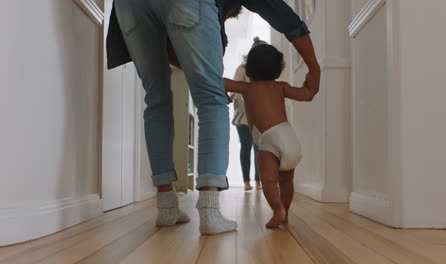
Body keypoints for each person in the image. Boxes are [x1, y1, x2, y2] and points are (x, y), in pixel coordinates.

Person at [106, 0, 320, 235]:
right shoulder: (279, 86)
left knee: (156, 100)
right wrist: (314, 67)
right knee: (211, 99)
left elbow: (173, 51)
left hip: (129, 5)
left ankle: (166, 207)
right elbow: (280, 13)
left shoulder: (248, 86)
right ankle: (210, 212)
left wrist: (205, 75)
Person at [224, 44, 319, 228]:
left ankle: (277, 210)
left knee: (269, 180)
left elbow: (220, 81)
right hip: (289, 137)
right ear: (277, 71)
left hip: (268, 139)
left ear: (248, 70)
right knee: (286, 180)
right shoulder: (281, 87)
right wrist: (310, 83)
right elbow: (307, 95)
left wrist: (223, 92)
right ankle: (285, 212)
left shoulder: (247, 88)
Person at [230, 37, 267, 191]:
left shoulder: (267, 71)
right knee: (246, 146)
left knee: (259, 147)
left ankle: (259, 181)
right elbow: (233, 91)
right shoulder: (242, 68)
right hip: (243, 116)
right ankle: (246, 181)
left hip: (260, 116)